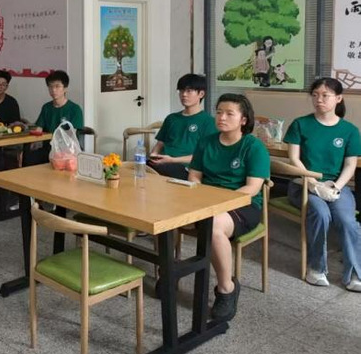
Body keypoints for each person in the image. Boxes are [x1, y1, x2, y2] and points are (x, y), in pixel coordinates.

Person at [188, 93, 270, 323]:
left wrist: (218, 203)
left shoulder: (253, 146)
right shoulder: (206, 142)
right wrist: (200, 195)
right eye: (219, 112)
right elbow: (194, 176)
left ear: (243, 119)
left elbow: (252, 188)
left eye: (229, 113)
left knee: (213, 226)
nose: (221, 117)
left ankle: (226, 288)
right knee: (168, 215)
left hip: (243, 205)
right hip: (206, 201)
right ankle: (169, 273)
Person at [284, 77, 361, 291]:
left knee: (347, 220)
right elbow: (294, 159)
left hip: (337, 186)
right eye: (315, 95)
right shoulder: (300, 124)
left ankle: (355, 273)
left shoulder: (349, 130)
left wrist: (335, 187)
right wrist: (314, 184)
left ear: (338, 98)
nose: (319, 99)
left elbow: (350, 165)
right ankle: (316, 268)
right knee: (320, 213)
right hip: (304, 184)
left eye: (325, 95)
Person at [149, 73, 217, 180]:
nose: (184, 94)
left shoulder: (209, 122)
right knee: (133, 167)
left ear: (201, 94)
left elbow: (205, 156)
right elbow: (160, 143)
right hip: (161, 163)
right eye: (181, 91)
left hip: (185, 167)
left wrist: (172, 160)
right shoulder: (171, 118)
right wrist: (154, 155)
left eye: (189, 91)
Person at [24, 70, 83, 166]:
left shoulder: (75, 109)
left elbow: (71, 135)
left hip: (66, 149)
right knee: (28, 152)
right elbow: (39, 128)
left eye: (57, 86)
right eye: (50, 86)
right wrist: (33, 140)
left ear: (65, 88)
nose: (53, 90)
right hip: (48, 147)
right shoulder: (46, 107)